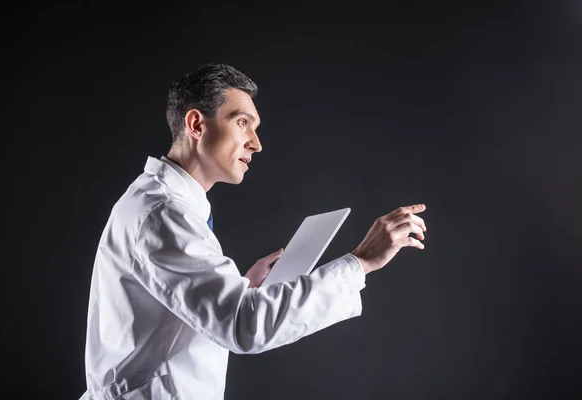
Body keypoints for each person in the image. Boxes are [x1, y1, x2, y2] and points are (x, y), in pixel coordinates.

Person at [78, 63, 427, 400]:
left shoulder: (167, 202)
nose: (256, 143)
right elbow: (244, 325)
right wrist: (360, 262)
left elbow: (186, 312)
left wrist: (245, 287)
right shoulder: (163, 212)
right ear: (196, 124)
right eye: (242, 122)